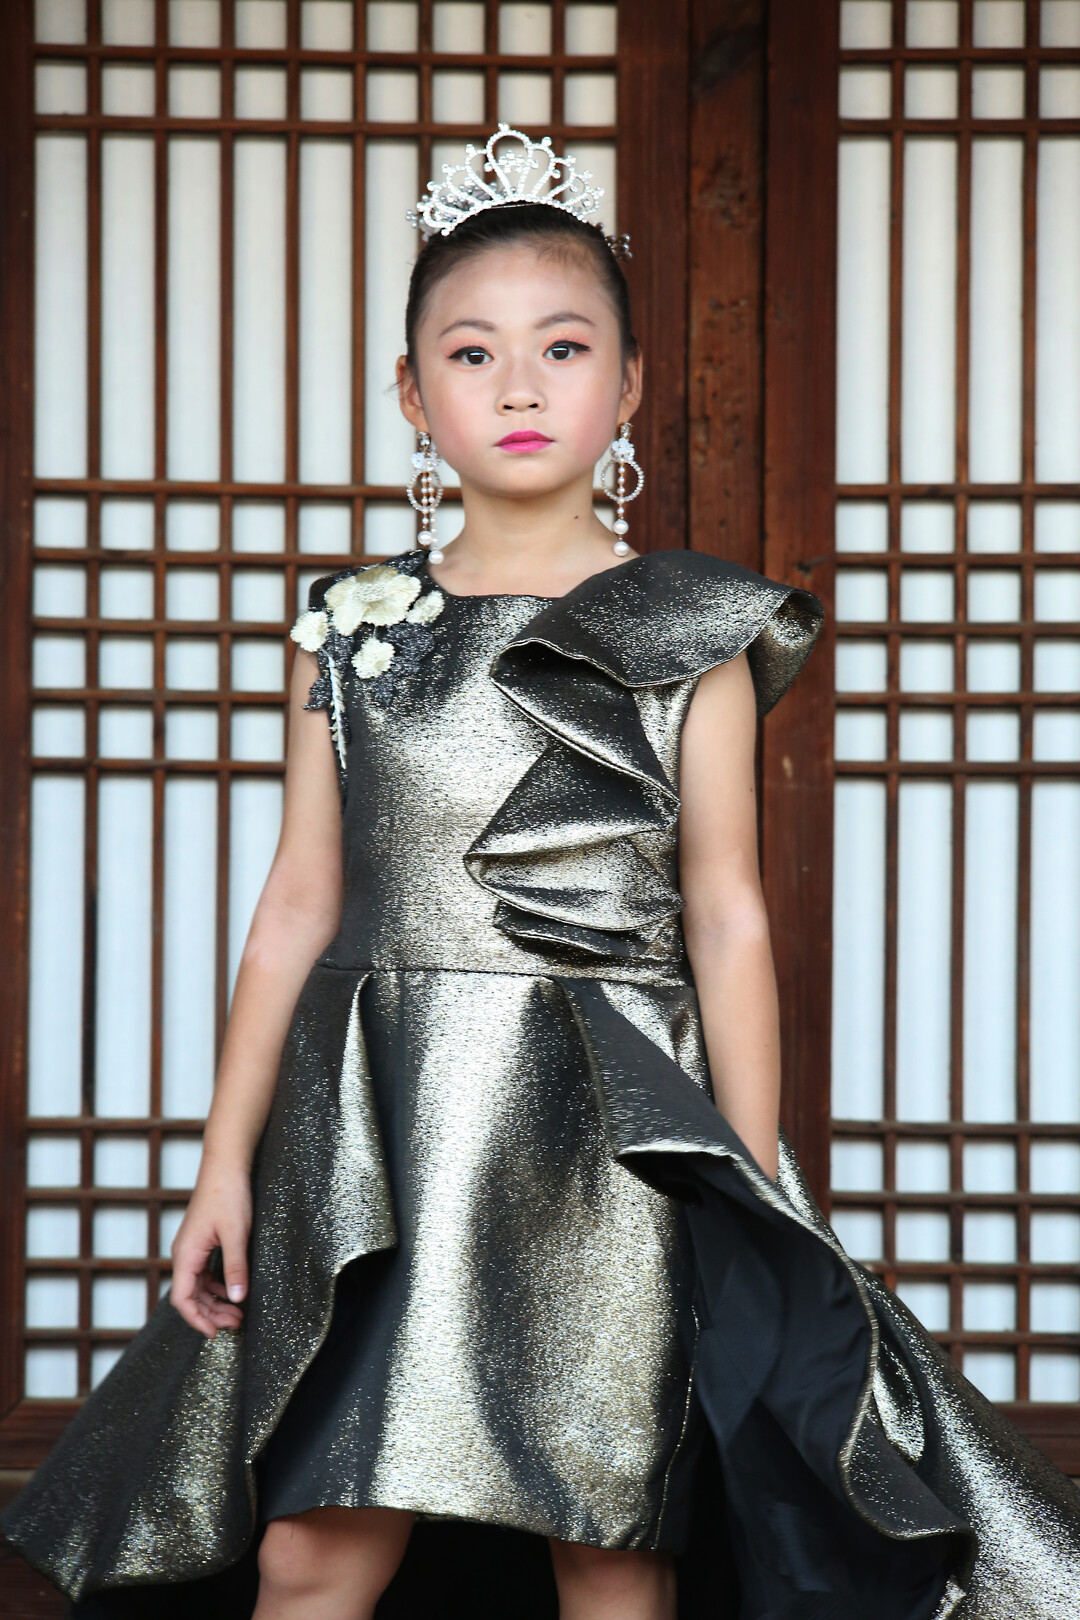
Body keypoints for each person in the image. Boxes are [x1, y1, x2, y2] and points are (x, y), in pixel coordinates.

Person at [5, 126, 1080, 1620]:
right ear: (411, 394)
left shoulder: (690, 626)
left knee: (609, 1539)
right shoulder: (355, 629)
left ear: (628, 386)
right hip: (376, 1119)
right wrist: (222, 1163)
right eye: (473, 353)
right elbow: (299, 902)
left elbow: (726, 912)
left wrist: (744, 1180)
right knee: (313, 1548)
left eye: (563, 349)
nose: (518, 387)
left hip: (611, 1125)